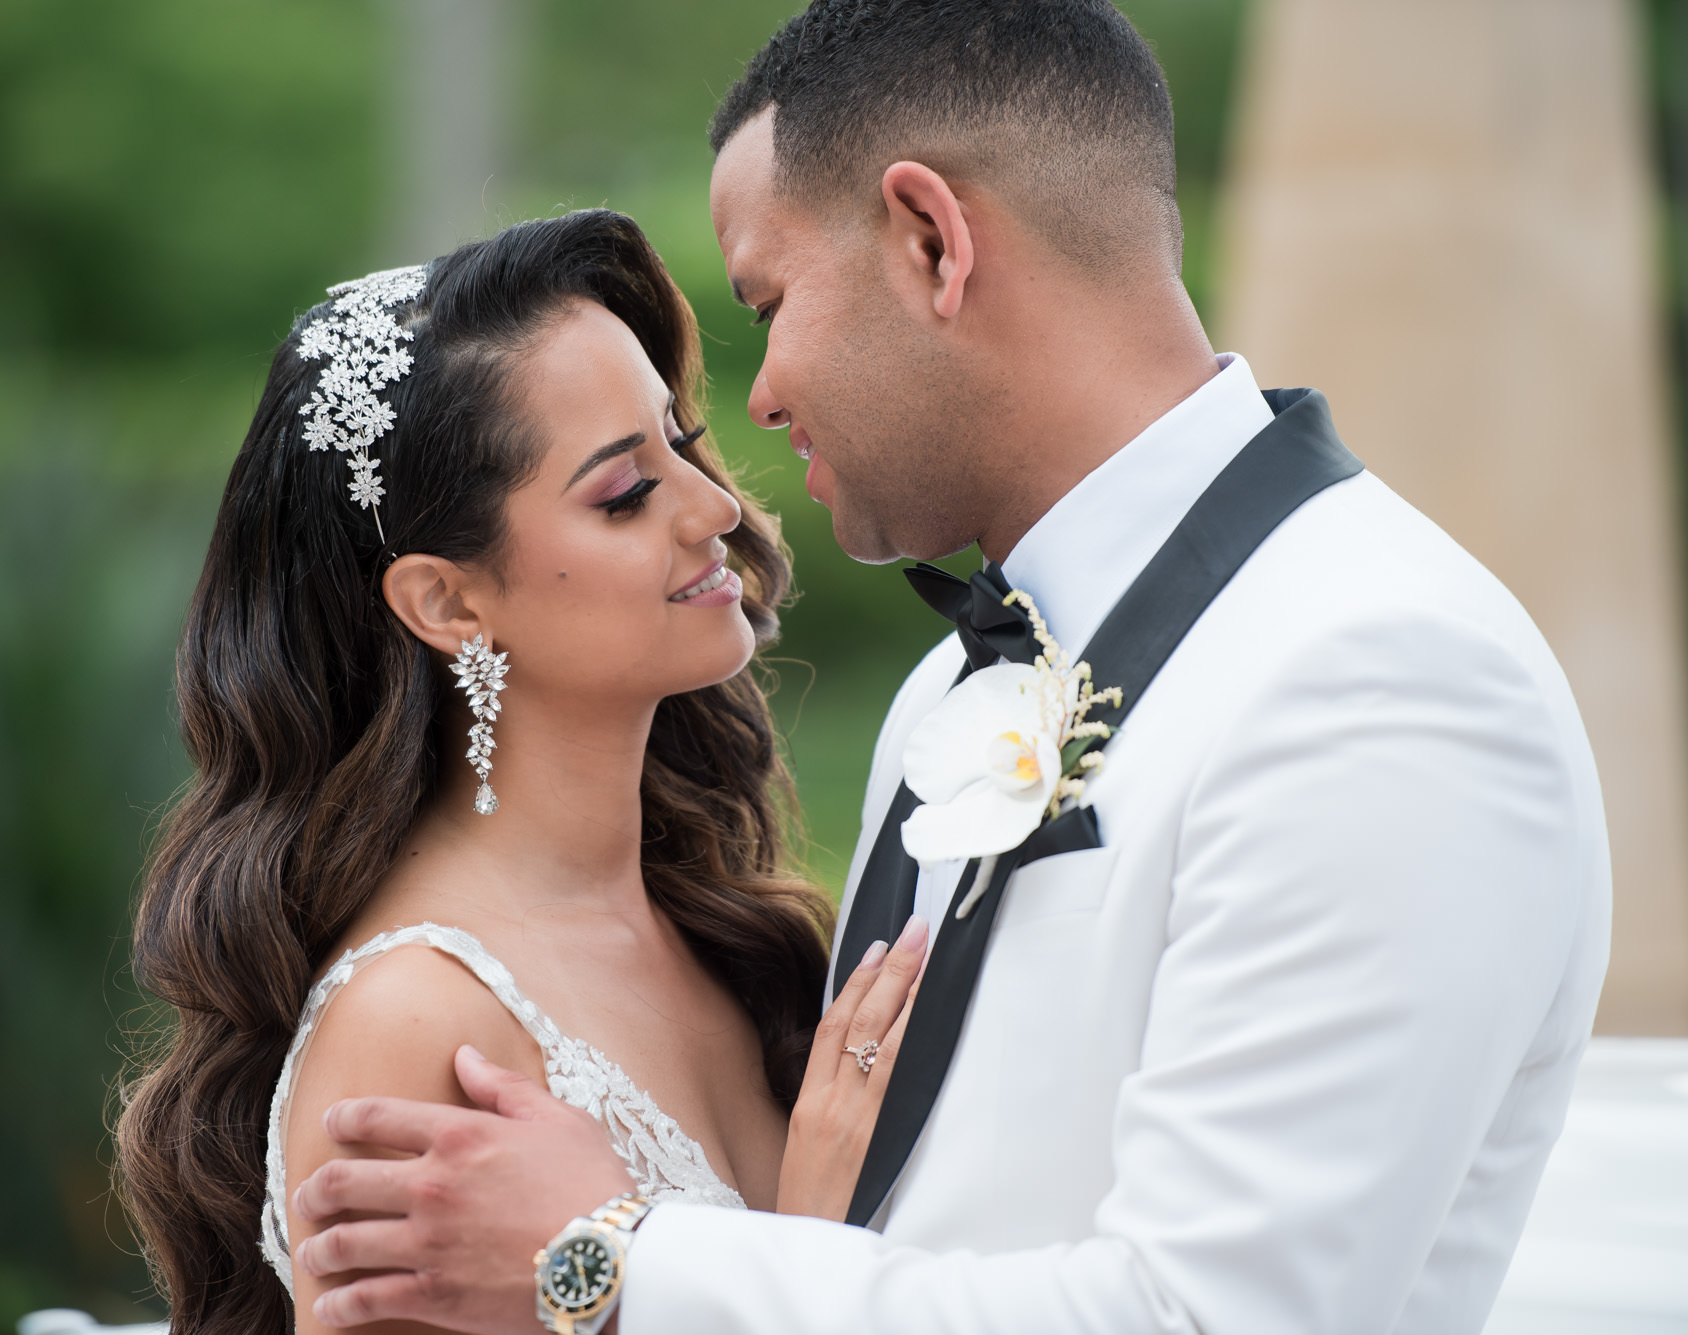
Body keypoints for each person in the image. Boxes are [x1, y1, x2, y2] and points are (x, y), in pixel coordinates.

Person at [285, 2, 1613, 1332]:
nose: (756, 404)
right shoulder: (954, 691)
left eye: (771, 300)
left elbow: (1216, 1315)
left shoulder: (1377, 673)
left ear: (932, 240)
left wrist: (623, 1260)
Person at [113, 210, 930, 1335]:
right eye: (622, 493)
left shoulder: (726, 938)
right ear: (447, 602)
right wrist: (804, 1240)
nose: (714, 510)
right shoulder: (414, 1026)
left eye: (680, 444)